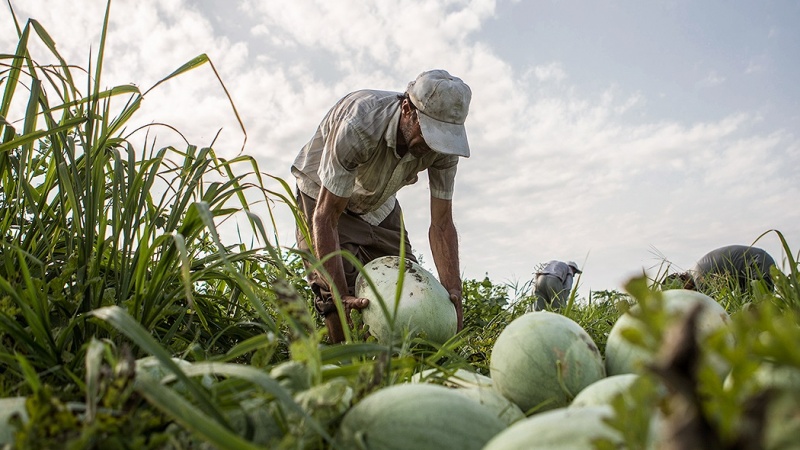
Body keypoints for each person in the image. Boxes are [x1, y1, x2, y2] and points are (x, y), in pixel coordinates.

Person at [291, 69, 471, 343]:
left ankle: (407, 367)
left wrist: (453, 289)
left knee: (409, 286)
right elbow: (326, 218)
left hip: (378, 200)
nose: (435, 146)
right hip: (323, 195)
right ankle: (347, 365)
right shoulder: (359, 125)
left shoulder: (444, 149)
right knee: (337, 290)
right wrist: (340, 293)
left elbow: (442, 223)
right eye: (430, 133)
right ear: (408, 109)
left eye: (444, 137)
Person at [689, 245, 777, 293]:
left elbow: (710, 304)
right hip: (757, 262)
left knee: (762, 307)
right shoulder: (696, 270)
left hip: (757, 263)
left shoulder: (698, 276)